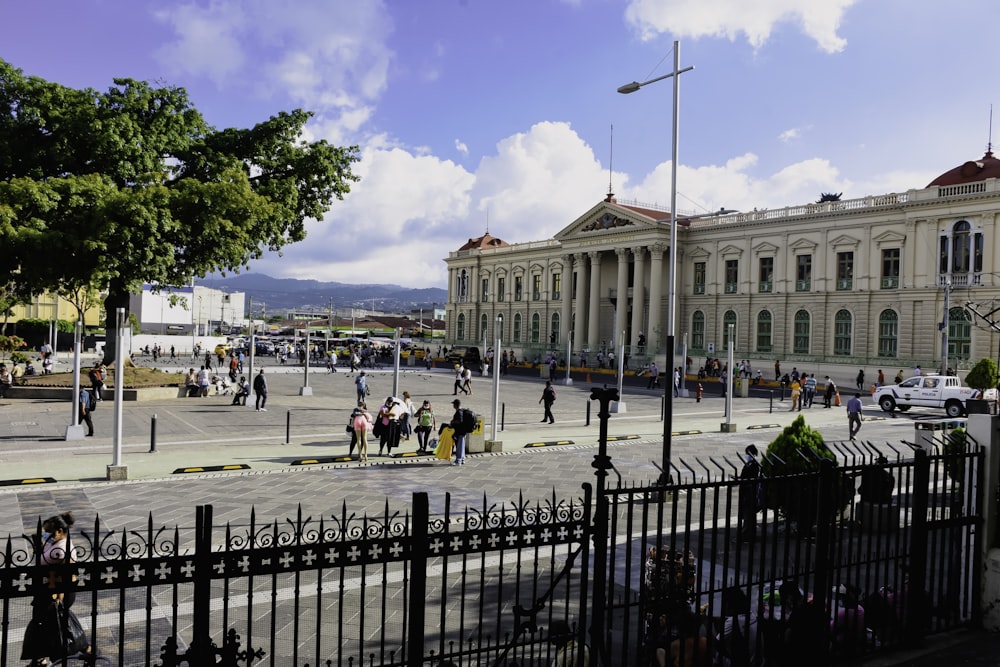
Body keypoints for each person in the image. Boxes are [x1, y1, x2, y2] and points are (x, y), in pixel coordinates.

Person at [22, 512, 91, 666]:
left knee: (51, 625)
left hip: (54, 593)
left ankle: (86, 650)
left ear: (59, 531)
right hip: (49, 592)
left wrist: (58, 598)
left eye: (49, 532)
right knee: (53, 625)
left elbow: (64, 577)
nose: (47, 535)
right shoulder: (57, 545)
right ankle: (42, 659)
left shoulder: (61, 550)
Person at [450, 398, 469, 466]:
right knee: (461, 446)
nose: (453, 406)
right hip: (462, 432)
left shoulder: (459, 412)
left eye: (453, 404)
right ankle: (462, 459)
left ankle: (458, 461)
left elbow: (460, 421)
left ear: (456, 405)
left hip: (460, 432)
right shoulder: (462, 410)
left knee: (459, 447)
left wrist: (453, 421)